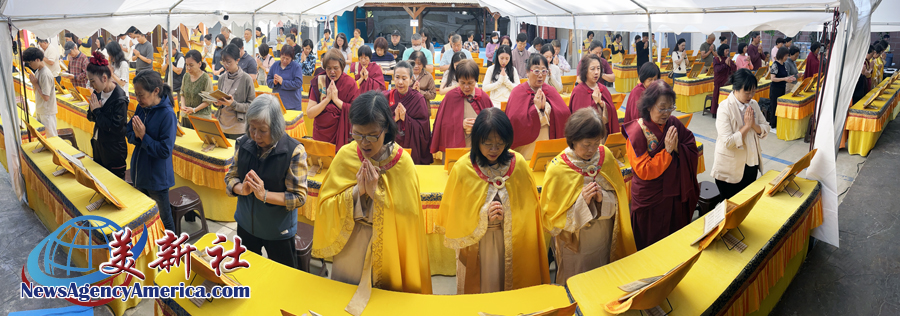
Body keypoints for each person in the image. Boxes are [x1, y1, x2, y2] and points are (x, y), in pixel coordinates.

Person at [312, 91, 433, 294]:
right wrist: (358, 192)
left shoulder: (403, 164)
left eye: (371, 135)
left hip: (390, 247)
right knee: (345, 298)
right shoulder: (346, 155)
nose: (364, 142)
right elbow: (325, 207)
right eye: (357, 134)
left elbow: (410, 219)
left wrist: (377, 194)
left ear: (386, 128)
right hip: (352, 243)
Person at [437, 107, 550, 293]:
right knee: (485, 290)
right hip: (479, 245)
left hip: (513, 242)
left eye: (500, 143)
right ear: (476, 141)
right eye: (487, 143)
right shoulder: (463, 169)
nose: (494, 149)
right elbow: (457, 215)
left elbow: (529, 210)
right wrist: (483, 215)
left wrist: (510, 213)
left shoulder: (519, 164)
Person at [541, 108, 636, 285]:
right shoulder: (558, 169)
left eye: (596, 143)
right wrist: (580, 203)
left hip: (603, 234)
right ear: (573, 140)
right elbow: (550, 218)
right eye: (586, 144)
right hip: (575, 244)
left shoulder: (605, 156)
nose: (592, 149)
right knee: (578, 281)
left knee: (602, 278)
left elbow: (620, 197)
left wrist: (603, 199)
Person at [223, 94, 308, 269]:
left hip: (278, 232)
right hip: (246, 225)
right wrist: (241, 189)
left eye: (263, 130)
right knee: (246, 274)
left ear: (276, 127)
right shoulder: (244, 142)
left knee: (281, 280)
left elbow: (299, 197)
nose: (255, 135)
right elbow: (230, 177)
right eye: (252, 128)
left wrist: (265, 195)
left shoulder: (293, 151)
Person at [623, 80, 699, 250]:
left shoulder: (672, 123)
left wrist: (678, 148)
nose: (666, 113)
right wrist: (667, 152)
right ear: (649, 106)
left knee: (672, 237)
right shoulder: (637, 132)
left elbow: (690, 145)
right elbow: (644, 170)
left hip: (673, 194)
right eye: (662, 108)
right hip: (650, 199)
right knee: (650, 242)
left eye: (670, 108)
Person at [127, 70, 177, 232]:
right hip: (139, 171)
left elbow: (164, 151)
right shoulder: (142, 107)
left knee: (164, 219)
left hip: (157, 178)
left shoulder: (167, 114)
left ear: (156, 91)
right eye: (136, 94)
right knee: (144, 217)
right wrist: (137, 136)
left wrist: (143, 137)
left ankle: (173, 252)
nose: (138, 99)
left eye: (141, 95)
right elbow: (129, 132)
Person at [712, 69, 769, 201]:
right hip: (730, 167)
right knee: (730, 205)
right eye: (747, 92)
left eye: (753, 92)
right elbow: (727, 142)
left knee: (746, 202)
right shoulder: (724, 107)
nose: (751, 96)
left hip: (751, 163)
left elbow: (765, 127)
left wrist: (754, 125)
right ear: (736, 89)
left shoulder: (753, 104)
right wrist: (747, 127)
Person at [507, 54, 571, 159]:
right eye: (536, 71)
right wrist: (536, 109)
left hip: (548, 139)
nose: (540, 75)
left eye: (544, 71)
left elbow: (564, 113)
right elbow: (514, 119)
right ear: (527, 72)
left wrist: (546, 107)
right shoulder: (517, 92)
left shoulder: (550, 90)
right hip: (527, 147)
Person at [430, 59, 492, 154]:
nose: (466, 87)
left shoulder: (483, 97)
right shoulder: (450, 97)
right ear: (457, 80)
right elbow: (442, 126)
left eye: (470, 83)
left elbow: (492, 125)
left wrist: (478, 125)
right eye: (462, 83)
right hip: (455, 147)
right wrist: (460, 125)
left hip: (478, 147)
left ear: (476, 80)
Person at [84, 51, 129, 179]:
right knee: (100, 181)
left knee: (114, 188)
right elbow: (90, 116)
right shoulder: (98, 92)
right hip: (99, 146)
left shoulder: (119, 99)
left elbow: (115, 128)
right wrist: (94, 113)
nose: (91, 86)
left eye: (93, 81)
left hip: (114, 152)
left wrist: (97, 112)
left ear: (104, 78)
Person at [309, 49, 360, 151]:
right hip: (321, 136)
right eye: (328, 68)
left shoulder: (350, 83)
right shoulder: (320, 81)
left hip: (342, 133)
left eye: (336, 68)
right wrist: (327, 99)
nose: (332, 72)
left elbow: (357, 112)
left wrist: (336, 100)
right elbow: (310, 113)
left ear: (342, 67)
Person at [384, 61, 433, 165]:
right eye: (397, 77)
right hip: (391, 144)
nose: (400, 82)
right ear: (393, 78)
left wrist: (406, 119)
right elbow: (378, 124)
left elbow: (424, 128)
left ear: (411, 79)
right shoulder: (387, 97)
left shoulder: (418, 99)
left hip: (411, 144)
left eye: (404, 78)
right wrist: (394, 119)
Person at [571, 54, 619, 134]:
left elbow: (612, 112)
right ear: (585, 71)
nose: (596, 72)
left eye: (598, 68)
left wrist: (602, 103)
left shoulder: (604, 89)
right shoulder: (578, 91)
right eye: (592, 69)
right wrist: (594, 102)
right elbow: (578, 119)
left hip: (603, 133)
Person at [216, 44, 256, 139]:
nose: (225, 65)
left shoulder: (246, 79)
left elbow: (252, 106)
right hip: (222, 125)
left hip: (239, 128)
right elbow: (220, 102)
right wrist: (216, 103)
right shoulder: (221, 78)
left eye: (229, 62)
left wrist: (233, 104)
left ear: (237, 60)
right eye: (223, 62)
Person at [23, 47, 58, 137]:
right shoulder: (39, 71)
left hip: (47, 111)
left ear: (38, 60)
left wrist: (35, 84)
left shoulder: (45, 74)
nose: (29, 65)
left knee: (52, 138)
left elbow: (46, 97)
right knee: (44, 137)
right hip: (41, 109)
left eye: (30, 62)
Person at [180, 50, 214, 126]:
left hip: (201, 118)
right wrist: (183, 106)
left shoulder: (205, 78)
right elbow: (182, 93)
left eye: (191, 65)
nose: (188, 68)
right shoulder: (186, 76)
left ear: (199, 64)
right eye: (186, 65)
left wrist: (194, 110)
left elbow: (208, 101)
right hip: (186, 116)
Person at [267, 45, 304, 112]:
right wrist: (273, 82)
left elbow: (298, 83)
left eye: (287, 59)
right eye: (283, 57)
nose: (284, 60)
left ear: (292, 58)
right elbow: (268, 80)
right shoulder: (275, 65)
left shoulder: (296, 67)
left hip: (292, 105)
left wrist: (283, 82)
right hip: (277, 104)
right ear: (280, 56)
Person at [767, 47, 796, 132]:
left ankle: (778, 123)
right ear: (781, 55)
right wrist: (784, 79)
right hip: (775, 88)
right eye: (786, 56)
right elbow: (773, 78)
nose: (787, 57)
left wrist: (789, 78)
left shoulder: (784, 64)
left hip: (782, 87)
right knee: (774, 106)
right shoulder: (775, 64)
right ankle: (773, 124)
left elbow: (784, 76)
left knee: (779, 106)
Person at [712, 44, 737, 117]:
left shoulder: (728, 59)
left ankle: (726, 112)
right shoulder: (716, 59)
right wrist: (725, 65)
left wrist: (729, 65)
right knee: (717, 97)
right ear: (722, 51)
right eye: (726, 51)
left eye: (728, 51)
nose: (727, 52)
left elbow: (734, 68)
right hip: (719, 81)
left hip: (727, 81)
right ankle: (715, 112)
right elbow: (717, 69)